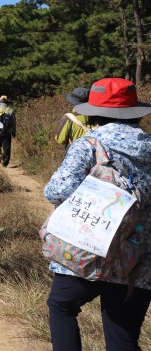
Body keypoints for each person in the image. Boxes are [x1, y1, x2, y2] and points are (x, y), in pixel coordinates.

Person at [43, 77, 151, 349]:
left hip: (87, 252)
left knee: (61, 306)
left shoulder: (90, 144)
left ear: (95, 111)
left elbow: (55, 191)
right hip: (138, 261)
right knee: (122, 338)